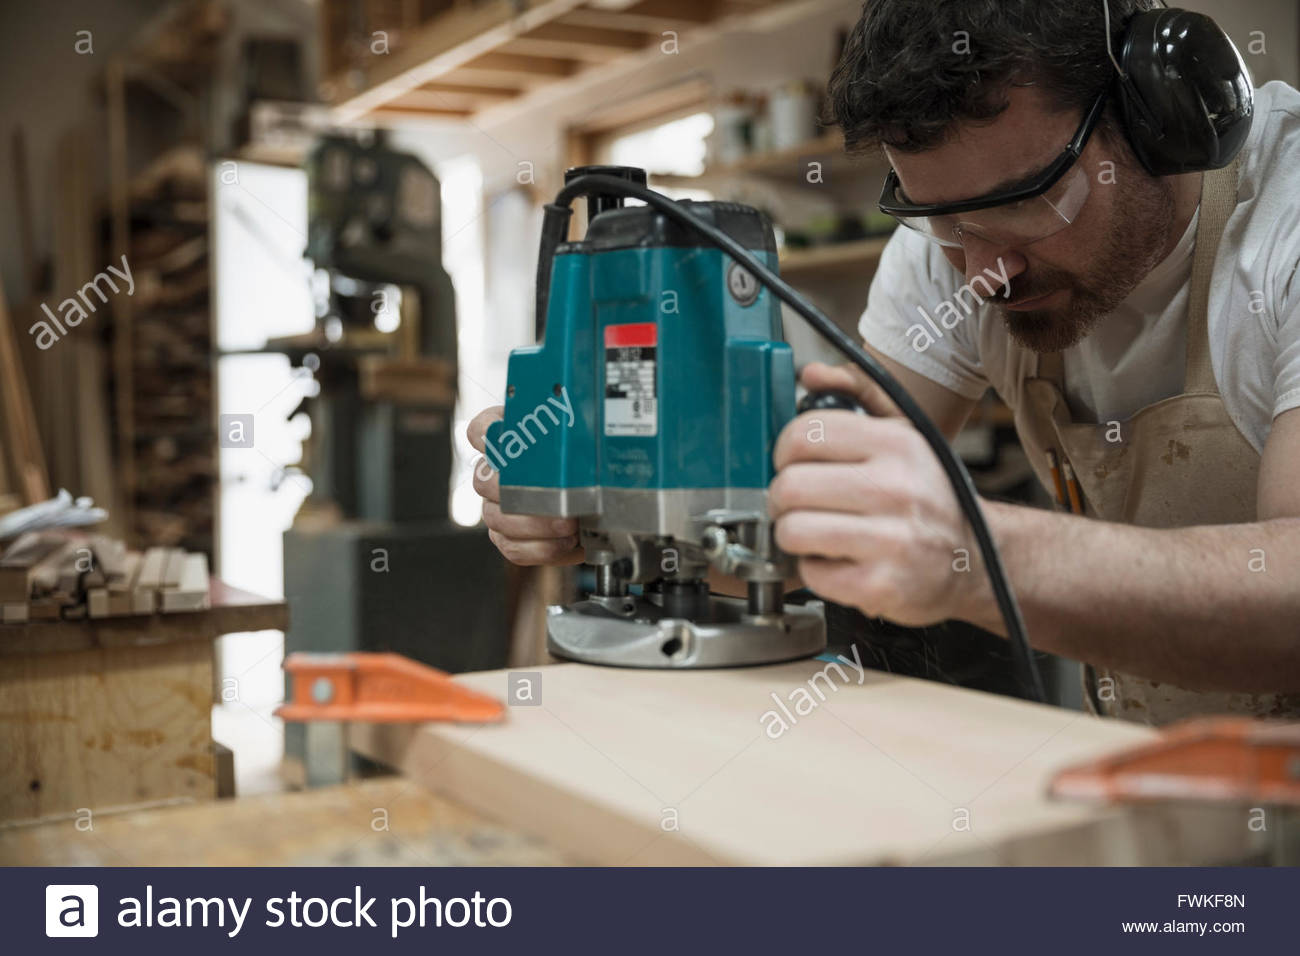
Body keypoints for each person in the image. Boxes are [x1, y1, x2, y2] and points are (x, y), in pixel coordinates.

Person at [468, 0, 1300, 724]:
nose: (982, 272)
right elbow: (814, 526)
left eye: (1028, 206)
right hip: (1163, 776)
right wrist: (618, 497)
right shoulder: (946, 252)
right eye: (945, 222)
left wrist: (974, 553)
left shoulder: (1284, 225)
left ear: (1161, 114)